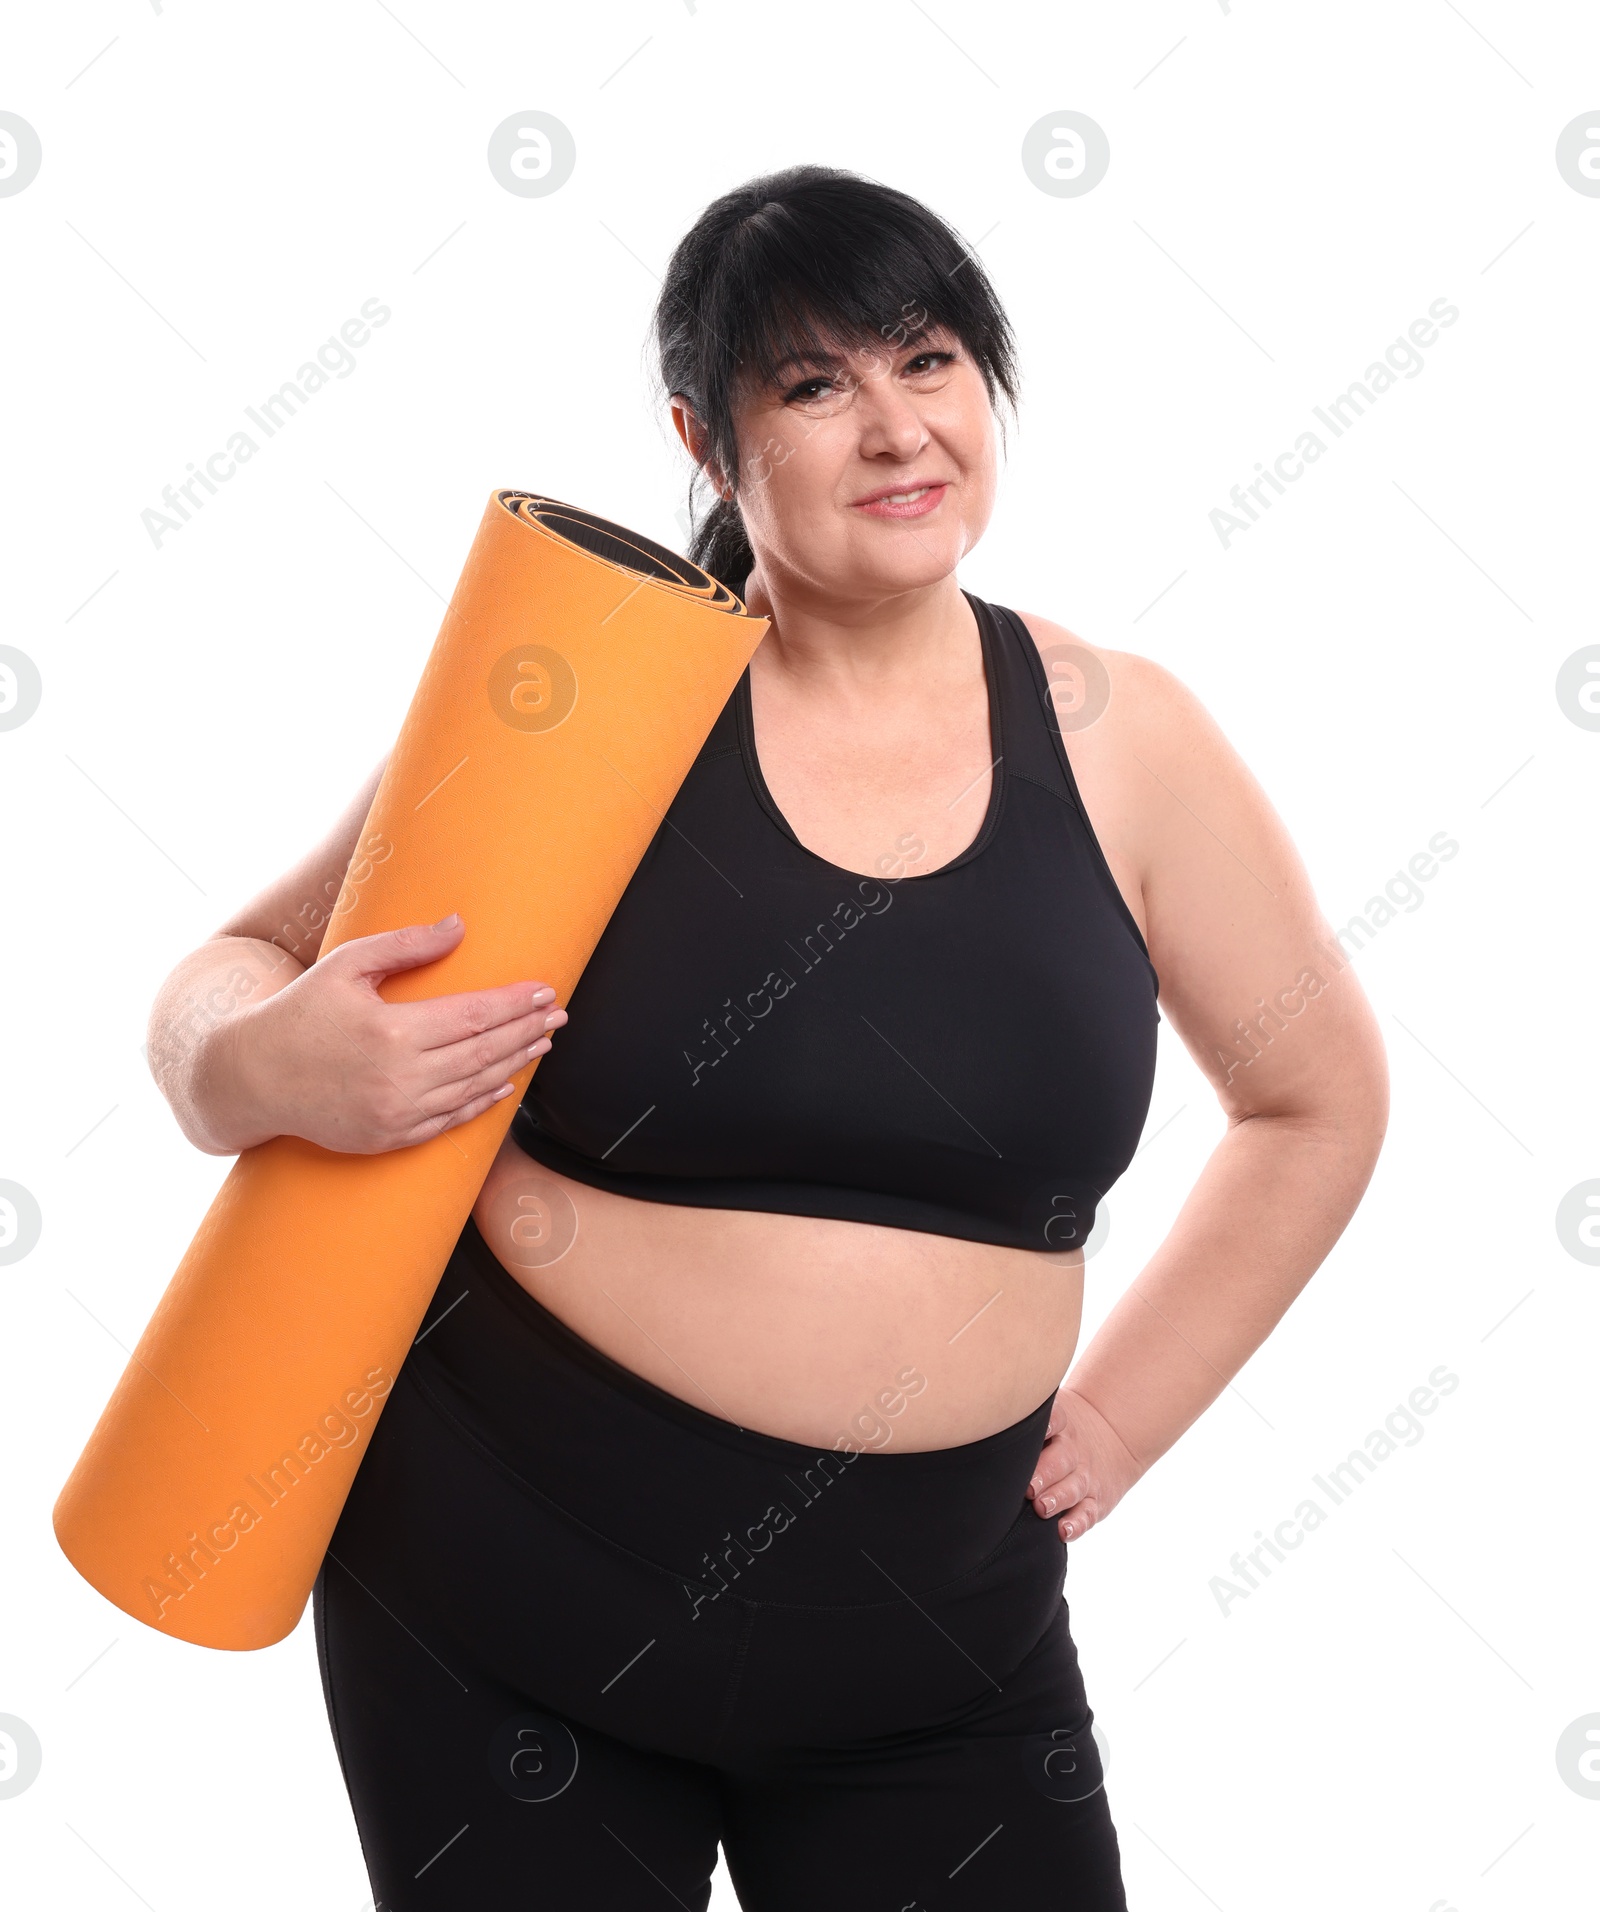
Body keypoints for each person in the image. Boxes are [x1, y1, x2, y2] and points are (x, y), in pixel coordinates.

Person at [147, 165, 1388, 1910]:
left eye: (931, 361)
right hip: (504, 1597)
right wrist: (248, 1067)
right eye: (814, 387)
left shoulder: (1126, 737)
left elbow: (1315, 1099)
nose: (897, 430)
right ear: (708, 442)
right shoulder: (591, 701)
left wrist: (1119, 1417)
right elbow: (227, 970)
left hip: (940, 1650)